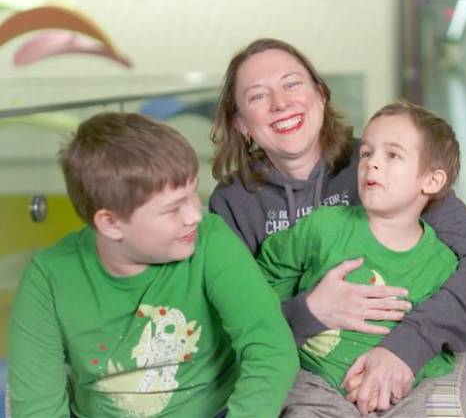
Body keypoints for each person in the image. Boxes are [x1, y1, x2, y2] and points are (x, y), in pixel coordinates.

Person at [208, 38, 466, 414]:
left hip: (392, 364)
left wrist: (407, 346)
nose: (281, 103)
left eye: (292, 84)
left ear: (321, 95)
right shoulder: (232, 202)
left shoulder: (380, 164)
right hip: (305, 376)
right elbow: (228, 316)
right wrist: (310, 311)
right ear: (242, 124)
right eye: (258, 96)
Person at [9, 113, 299, 417]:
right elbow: (37, 407)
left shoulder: (210, 239)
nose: (194, 215)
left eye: (192, 194)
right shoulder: (48, 278)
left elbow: (271, 350)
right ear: (110, 223)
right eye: (173, 208)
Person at [257, 100, 460, 416]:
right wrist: (284, 319)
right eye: (366, 153)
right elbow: (271, 267)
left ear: (431, 181)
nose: (372, 164)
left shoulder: (442, 265)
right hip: (313, 380)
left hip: (394, 395)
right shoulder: (324, 226)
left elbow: (441, 346)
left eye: (392, 155)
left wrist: (394, 382)